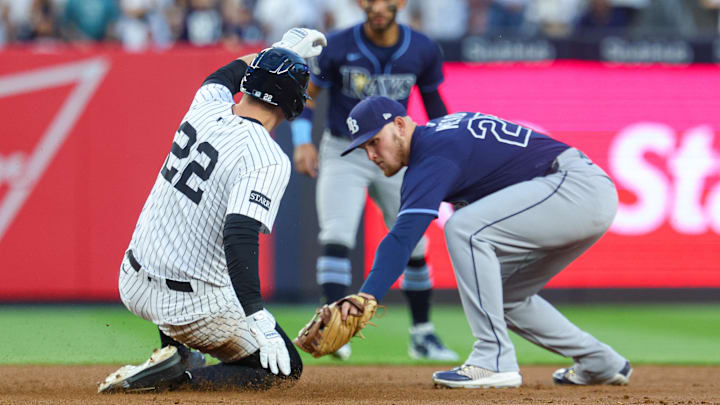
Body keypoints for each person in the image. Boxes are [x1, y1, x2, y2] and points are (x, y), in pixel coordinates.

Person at [337, 96, 633, 388]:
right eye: (365, 147)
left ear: (400, 125)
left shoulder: (433, 155)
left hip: (573, 187)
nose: (371, 155)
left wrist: (367, 295)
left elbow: (403, 238)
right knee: (504, 294)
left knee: (464, 229)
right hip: (579, 192)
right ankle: (599, 361)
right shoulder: (438, 138)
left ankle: (493, 359)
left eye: (375, 141)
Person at [98, 28, 327, 393]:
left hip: (132, 280)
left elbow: (222, 76)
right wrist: (258, 317)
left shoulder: (205, 106)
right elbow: (238, 236)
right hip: (189, 306)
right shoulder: (267, 158)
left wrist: (277, 50)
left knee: (186, 240)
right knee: (283, 369)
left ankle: (175, 352)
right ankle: (176, 378)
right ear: (293, 103)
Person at [290, 0, 457, 362]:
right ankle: (336, 326)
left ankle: (423, 334)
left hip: (397, 152)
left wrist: (448, 157)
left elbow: (435, 106)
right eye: (370, 0)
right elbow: (308, 97)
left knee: (415, 244)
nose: (378, 7)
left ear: (401, 3)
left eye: (386, 1)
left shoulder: (423, 48)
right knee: (336, 235)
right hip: (343, 149)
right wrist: (301, 140)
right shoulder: (336, 44)